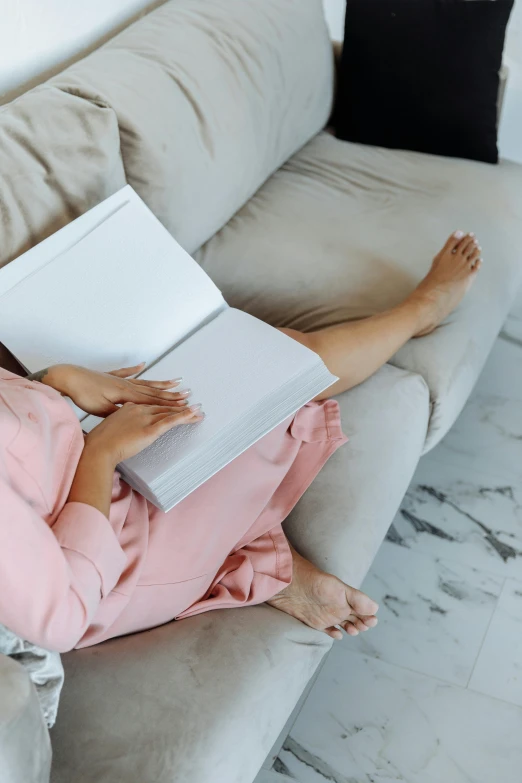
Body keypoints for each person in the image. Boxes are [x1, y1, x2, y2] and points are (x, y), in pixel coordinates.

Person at [0, 231, 481, 652]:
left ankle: (253, 559)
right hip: (116, 547)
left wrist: (55, 380)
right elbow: (63, 614)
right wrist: (103, 454)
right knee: (277, 364)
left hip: (82, 439)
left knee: (235, 358)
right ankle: (422, 311)